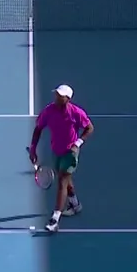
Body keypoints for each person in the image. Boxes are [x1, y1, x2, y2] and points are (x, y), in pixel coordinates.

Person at [29, 84, 94, 233]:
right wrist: (33, 149)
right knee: (65, 179)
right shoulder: (48, 111)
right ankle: (75, 205)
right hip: (56, 151)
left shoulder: (76, 113)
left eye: (60, 96)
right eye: (56, 94)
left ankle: (55, 220)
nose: (57, 97)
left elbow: (90, 128)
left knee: (62, 182)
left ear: (68, 99)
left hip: (70, 153)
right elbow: (38, 128)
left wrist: (78, 143)